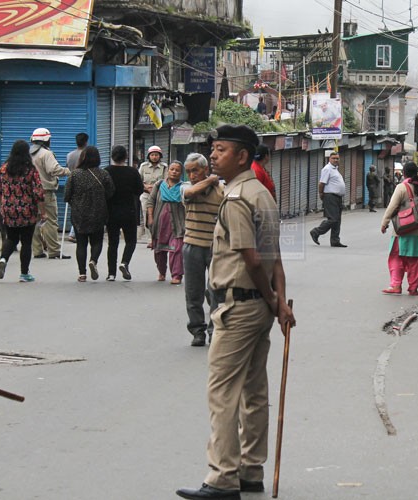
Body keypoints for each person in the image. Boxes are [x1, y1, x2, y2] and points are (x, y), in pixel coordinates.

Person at [176, 124, 295, 500]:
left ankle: (222, 477)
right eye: (213, 149)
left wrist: (273, 299)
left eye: (221, 150)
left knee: (223, 391)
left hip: (239, 306)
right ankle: (250, 470)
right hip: (259, 306)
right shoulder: (261, 193)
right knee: (254, 389)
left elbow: (254, 258)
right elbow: (276, 259)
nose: (213, 156)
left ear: (242, 156)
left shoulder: (238, 198)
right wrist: (278, 302)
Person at [181, 153, 223, 347]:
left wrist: (214, 181)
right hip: (192, 245)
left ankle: (214, 330)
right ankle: (197, 331)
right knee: (193, 292)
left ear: (205, 169)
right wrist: (211, 179)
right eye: (188, 172)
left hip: (216, 247)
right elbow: (190, 194)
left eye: (195, 171)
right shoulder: (187, 188)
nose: (191, 175)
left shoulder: (221, 190)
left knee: (215, 292)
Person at [0, 140, 46, 282]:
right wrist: (43, 212)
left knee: (11, 239)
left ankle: (3, 259)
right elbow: (38, 193)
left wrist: (2, 207)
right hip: (27, 211)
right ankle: (24, 273)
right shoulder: (30, 170)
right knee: (26, 242)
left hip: (9, 210)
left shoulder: (3, 169)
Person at [64, 146, 114, 282]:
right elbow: (110, 193)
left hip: (79, 213)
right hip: (99, 211)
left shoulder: (75, 174)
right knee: (97, 241)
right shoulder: (103, 174)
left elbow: (67, 195)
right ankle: (93, 261)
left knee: (81, 244)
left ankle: (82, 273)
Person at [380, 161, 418, 296]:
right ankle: (413, 288)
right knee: (416, 259)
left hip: (401, 230)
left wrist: (384, 223)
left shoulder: (402, 187)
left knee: (396, 257)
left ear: (404, 173)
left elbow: (392, 207)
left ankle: (396, 285)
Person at [29, 127, 71, 259]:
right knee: (50, 221)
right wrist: (69, 171)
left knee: (34, 222)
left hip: (30, 192)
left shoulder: (28, 153)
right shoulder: (46, 154)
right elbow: (54, 170)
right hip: (45, 192)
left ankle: (37, 250)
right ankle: (54, 251)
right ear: (46, 140)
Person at [104, 145, 143, 281]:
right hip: (129, 211)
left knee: (112, 243)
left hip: (111, 212)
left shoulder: (106, 171)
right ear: (126, 157)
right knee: (131, 241)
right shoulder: (132, 172)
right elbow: (139, 190)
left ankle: (111, 274)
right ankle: (124, 262)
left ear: (112, 156)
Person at [146, 160, 186, 284]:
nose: (174, 172)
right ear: (167, 171)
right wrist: (150, 217)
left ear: (181, 173)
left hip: (177, 224)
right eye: (172, 169)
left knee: (177, 250)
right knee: (159, 251)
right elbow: (150, 201)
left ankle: (176, 275)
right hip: (160, 224)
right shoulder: (159, 185)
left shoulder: (183, 187)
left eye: (177, 170)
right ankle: (162, 272)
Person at [309, 151, 347, 247]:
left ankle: (335, 240)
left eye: (337, 158)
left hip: (337, 197)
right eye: (333, 158)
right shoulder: (327, 169)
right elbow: (321, 183)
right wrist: (321, 193)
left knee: (337, 220)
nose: (335, 160)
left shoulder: (335, 169)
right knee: (333, 219)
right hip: (330, 196)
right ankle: (316, 231)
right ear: (329, 159)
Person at [138, 145, 168, 240]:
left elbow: (166, 181)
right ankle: (150, 237)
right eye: (152, 155)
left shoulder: (164, 167)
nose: (154, 157)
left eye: (156, 155)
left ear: (160, 156)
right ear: (149, 156)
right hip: (146, 195)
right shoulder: (143, 166)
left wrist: (154, 187)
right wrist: (146, 187)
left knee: (158, 215)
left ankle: (159, 236)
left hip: (159, 195)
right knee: (146, 214)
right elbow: (139, 180)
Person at [65, 132, 89, 243]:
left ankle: (73, 232)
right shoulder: (87, 154)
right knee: (85, 209)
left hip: (72, 184)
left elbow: (68, 168)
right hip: (84, 184)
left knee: (75, 209)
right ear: (86, 142)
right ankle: (74, 233)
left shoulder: (69, 155)